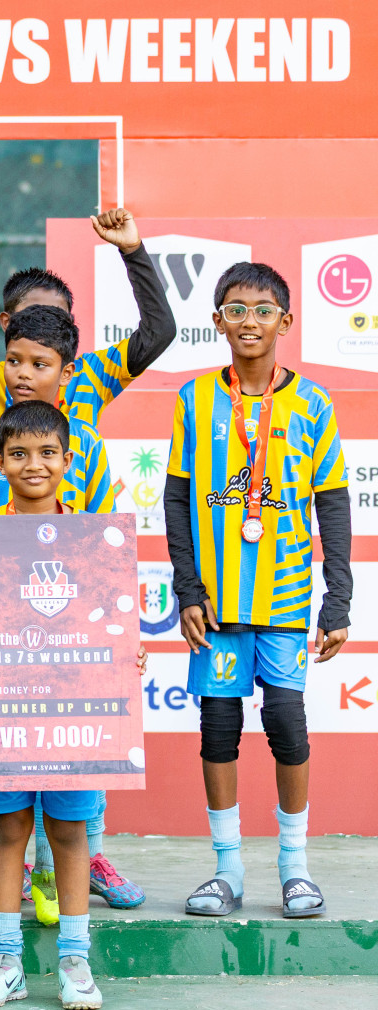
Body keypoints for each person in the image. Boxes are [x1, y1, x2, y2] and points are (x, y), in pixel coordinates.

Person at [0, 210, 174, 927]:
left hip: (73, 602)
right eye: (18, 349)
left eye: (45, 353)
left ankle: (74, 864)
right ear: (6, 333)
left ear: (68, 354)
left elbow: (159, 333)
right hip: (2, 605)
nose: (27, 369)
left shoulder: (88, 391)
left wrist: (133, 251)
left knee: (77, 730)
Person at [0, 400, 147, 1010]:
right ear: (0, 462)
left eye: (47, 453)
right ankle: (6, 962)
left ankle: (75, 961)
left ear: (67, 459)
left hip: (73, 716)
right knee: (8, 829)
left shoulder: (95, 540)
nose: (34, 464)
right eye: (19, 454)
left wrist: (126, 654)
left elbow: (111, 625)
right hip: (5, 714)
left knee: (69, 832)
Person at [168, 262, 350, 920]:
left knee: (286, 725)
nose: (250, 321)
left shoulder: (313, 403)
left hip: (285, 600)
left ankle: (295, 868)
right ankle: (228, 871)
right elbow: (178, 498)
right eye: (237, 309)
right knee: (218, 729)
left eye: (264, 310)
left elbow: (334, 505)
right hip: (216, 607)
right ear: (217, 320)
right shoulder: (194, 398)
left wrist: (338, 600)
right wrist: (188, 588)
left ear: (286, 322)